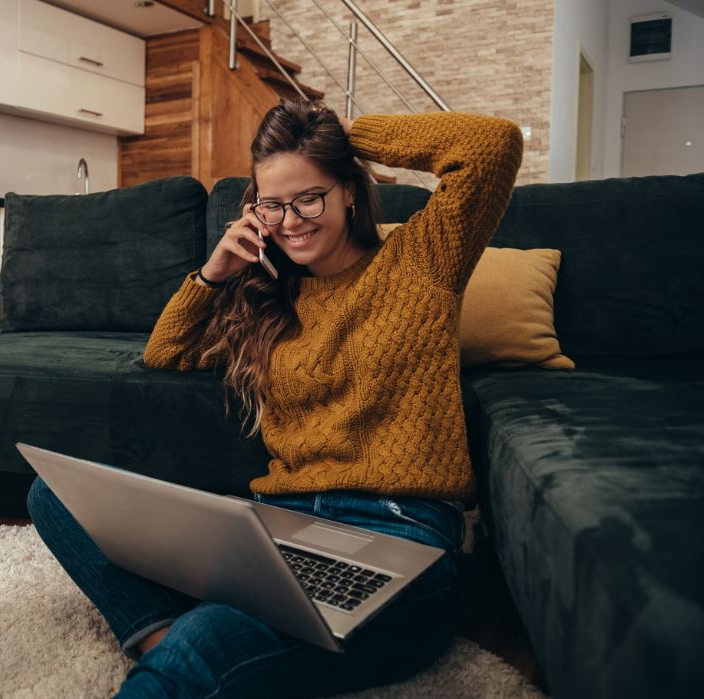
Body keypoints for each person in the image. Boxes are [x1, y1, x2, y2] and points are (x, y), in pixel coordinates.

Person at [27, 98, 523, 698]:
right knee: (54, 494)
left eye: (307, 198)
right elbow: (166, 352)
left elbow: (490, 146)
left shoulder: (422, 260)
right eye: (272, 205)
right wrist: (214, 271)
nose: (290, 221)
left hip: (404, 541)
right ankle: (167, 641)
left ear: (348, 191)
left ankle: (199, 651)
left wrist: (346, 133)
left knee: (214, 635)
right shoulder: (269, 301)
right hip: (277, 530)